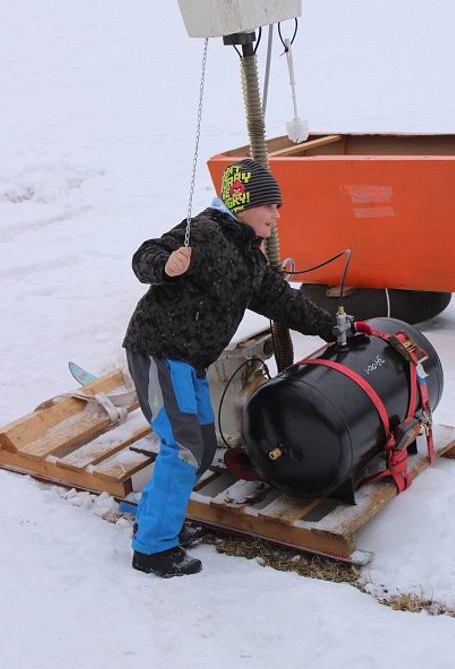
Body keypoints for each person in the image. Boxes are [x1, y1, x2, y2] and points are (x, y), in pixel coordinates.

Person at [123, 158, 335, 578]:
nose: (276, 216)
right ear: (244, 204)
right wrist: (165, 267)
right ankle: (152, 549)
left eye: (278, 207)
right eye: (269, 206)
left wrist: (333, 327)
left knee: (199, 446)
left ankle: (155, 521)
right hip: (159, 352)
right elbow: (146, 254)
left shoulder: (249, 259)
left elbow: (284, 302)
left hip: (189, 361)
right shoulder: (203, 232)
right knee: (185, 447)